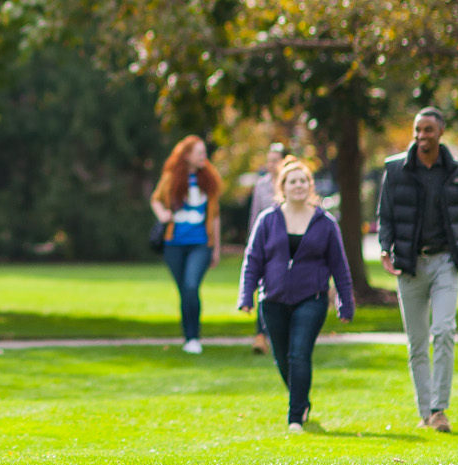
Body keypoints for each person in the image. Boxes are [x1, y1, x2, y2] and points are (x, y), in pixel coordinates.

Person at [377, 107, 458, 434]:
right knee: (417, 342)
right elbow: (386, 216)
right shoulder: (395, 170)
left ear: (441, 133)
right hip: (409, 264)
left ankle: (439, 410)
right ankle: (425, 410)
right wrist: (384, 248)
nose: (422, 136)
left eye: (428, 130)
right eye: (418, 130)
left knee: (445, 330)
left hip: (445, 262)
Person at [239, 157, 354, 433]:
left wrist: (345, 303)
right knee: (282, 357)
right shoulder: (268, 220)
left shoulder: (324, 222)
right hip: (273, 300)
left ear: (310, 186)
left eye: (303, 181)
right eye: (293, 181)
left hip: (311, 298)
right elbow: (252, 259)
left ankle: (295, 417)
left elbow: (340, 265)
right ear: (283, 186)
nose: (298, 185)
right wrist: (247, 295)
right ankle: (301, 400)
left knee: (299, 354)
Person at [151, 136, 223, 354]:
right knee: (184, 290)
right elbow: (155, 199)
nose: (204, 156)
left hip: (200, 243)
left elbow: (216, 217)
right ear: (187, 155)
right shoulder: (171, 177)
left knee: (191, 285)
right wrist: (162, 213)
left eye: (204, 152)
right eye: (199, 152)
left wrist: (216, 249)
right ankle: (188, 337)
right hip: (174, 243)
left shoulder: (209, 179)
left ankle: (195, 336)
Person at [246, 143, 288, 354]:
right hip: (265, 245)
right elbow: (255, 216)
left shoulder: (292, 184)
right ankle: (260, 335)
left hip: (286, 247)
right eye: (269, 160)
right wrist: (252, 244)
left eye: (275, 160)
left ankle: (280, 333)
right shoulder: (261, 185)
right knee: (264, 289)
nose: (271, 164)